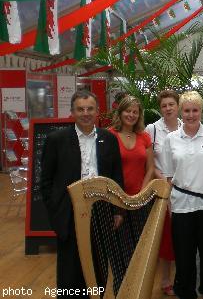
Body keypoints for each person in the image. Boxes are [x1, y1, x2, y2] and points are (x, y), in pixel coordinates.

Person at [40, 91, 123, 298]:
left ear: (97, 112)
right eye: (80, 109)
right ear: (72, 112)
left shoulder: (109, 139)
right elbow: (46, 181)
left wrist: (118, 211)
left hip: (101, 209)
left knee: (99, 264)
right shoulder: (56, 139)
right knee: (70, 268)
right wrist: (56, 210)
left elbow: (116, 177)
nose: (85, 113)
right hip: (69, 212)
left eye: (90, 109)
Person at [161, 91, 203, 299]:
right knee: (184, 257)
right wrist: (170, 205)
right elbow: (169, 177)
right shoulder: (171, 139)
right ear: (181, 112)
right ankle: (186, 293)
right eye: (187, 111)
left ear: (202, 111)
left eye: (195, 110)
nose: (191, 115)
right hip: (181, 207)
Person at [146, 90, 182, 296]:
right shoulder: (152, 129)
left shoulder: (186, 126)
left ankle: (181, 277)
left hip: (185, 189)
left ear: (178, 106)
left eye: (171, 104)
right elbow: (150, 163)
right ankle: (166, 279)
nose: (168, 108)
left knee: (182, 235)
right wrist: (165, 180)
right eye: (164, 106)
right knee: (166, 237)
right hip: (162, 190)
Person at [109, 95, 155, 195]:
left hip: (140, 197)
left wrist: (141, 194)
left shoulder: (145, 136)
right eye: (128, 111)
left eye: (135, 112)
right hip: (115, 197)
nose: (131, 115)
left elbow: (151, 169)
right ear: (120, 113)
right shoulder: (109, 136)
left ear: (139, 115)